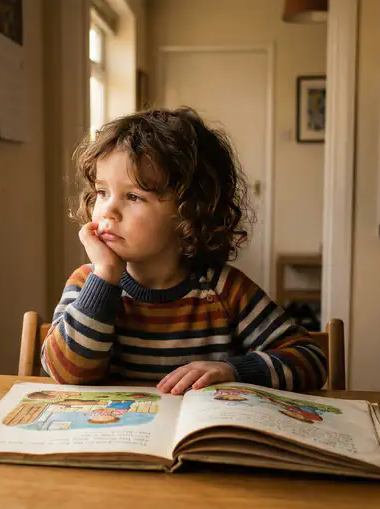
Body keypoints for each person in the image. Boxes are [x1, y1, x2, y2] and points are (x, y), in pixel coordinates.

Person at [41, 107, 327, 394]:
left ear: (189, 212)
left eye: (133, 196)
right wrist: (104, 277)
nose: (108, 211)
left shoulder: (224, 290)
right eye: (102, 192)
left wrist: (233, 369)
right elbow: (70, 373)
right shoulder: (87, 283)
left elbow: (310, 361)